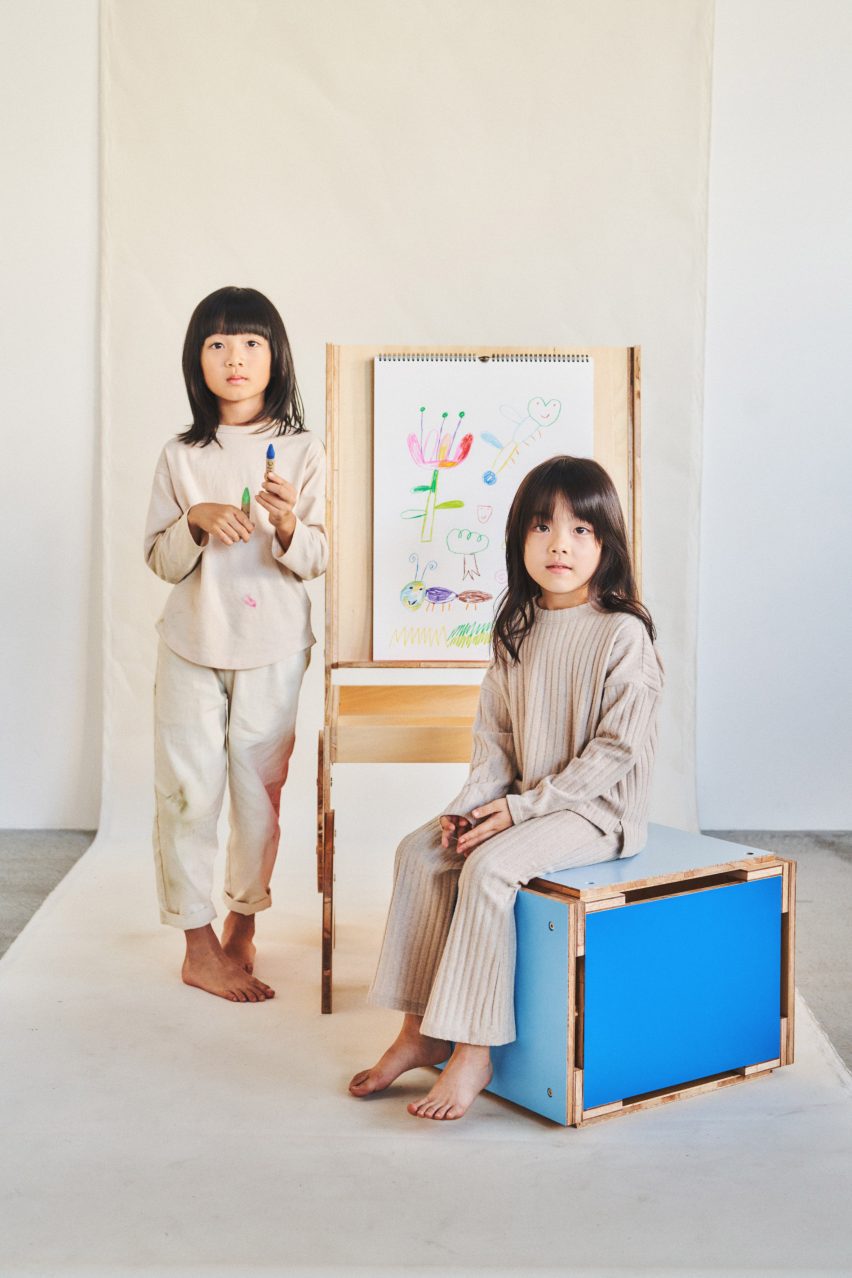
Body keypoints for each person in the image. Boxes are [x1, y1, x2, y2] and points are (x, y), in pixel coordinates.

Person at [350, 455, 663, 1118]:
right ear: (518, 537)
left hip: (595, 813)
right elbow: (493, 742)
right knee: (422, 853)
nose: (559, 544)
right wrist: (469, 808)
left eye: (582, 530)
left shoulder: (622, 633)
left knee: (489, 870)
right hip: (526, 802)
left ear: (606, 545)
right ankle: (420, 1030)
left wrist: (520, 811)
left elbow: (616, 752)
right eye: (543, 527)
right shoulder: (517, 632)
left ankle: (473, 1047)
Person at [144, 286, 327, 1003]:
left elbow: (315, 557)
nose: (234, 358)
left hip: (274, 645)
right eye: (217, 344)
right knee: (188, 796)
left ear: (275, 354)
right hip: (191, 645)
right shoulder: (181, 454)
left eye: (250, 342)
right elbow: (159, 561)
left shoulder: (304, 450)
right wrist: (195, 519)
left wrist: (284, 525)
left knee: (261, 797)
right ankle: (197, 944)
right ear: (198, 361)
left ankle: (243, 919)